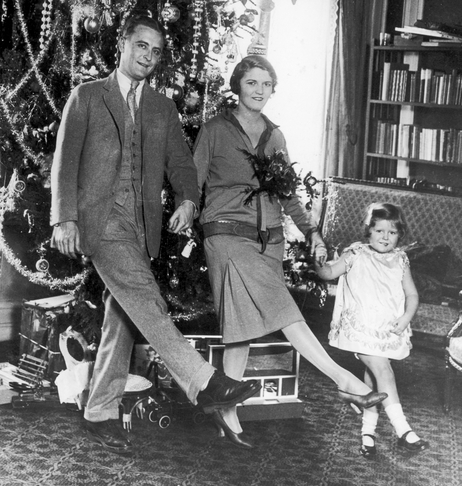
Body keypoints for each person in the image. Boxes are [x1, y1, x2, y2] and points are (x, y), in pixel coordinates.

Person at [50, 15, 260, 455]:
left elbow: (182, 164)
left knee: (122, 312)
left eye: (156, 51)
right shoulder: (87, 97)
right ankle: (201, 382)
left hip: (140, 225)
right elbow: (65, 161)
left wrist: (187, 199)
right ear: (123, 45)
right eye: (141, 46)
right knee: (146, 300)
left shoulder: (162, 108)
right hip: (99, 220)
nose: (147, 56)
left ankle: (99, 409)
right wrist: (63, 218)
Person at [192, 55, 387, 449]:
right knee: (283, 309)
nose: (259, 90)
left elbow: (287, 194)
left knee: (240, 328)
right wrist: (187, 217)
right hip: (226, 234)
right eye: (252, 82)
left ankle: (227, 415)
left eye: (266, 84)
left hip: (269, 239)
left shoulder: (275, 136)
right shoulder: (214, 130)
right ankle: (344, 381)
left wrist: (313, 232)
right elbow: (192, 182)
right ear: (238, 85)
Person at [315, 202, 429, 456]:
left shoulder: (400, 259)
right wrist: (318, 263)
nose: (385, 237)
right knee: (383, 369)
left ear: (400, 235)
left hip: (385, 330)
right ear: (368, 231)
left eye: (392, 232)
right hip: (361, 329)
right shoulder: (356, 253)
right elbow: (329, 273)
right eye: (379, 231)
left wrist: (406, 317)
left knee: (374, 378)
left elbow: (412, 294)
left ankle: (368, 434)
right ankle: (404, 432)